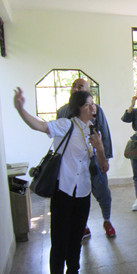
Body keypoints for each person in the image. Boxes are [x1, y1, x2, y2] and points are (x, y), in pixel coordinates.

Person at [14, 87, 107, 274]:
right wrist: (20, 109)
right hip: (63, 190)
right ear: (78, 108)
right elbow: (39, 125)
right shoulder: (66, 125)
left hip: (83, 192)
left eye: (93, 103)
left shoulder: (93, 132)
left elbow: (103, 167)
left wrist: (100, 148)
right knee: (59, 242)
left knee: (76, 237)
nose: (92, 107)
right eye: (88, 104)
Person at [57, 78, 115, 238]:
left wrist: (105, 157)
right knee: (77, 194)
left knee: (102, 191)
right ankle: (83, 225)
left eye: (80, 86)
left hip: (94, 160)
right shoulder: (63, 112)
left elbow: (104, 133)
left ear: (88, 91)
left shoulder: (96, 110)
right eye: (74, 86)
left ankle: (107, 220)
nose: (76, 89)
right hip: (73, 164)